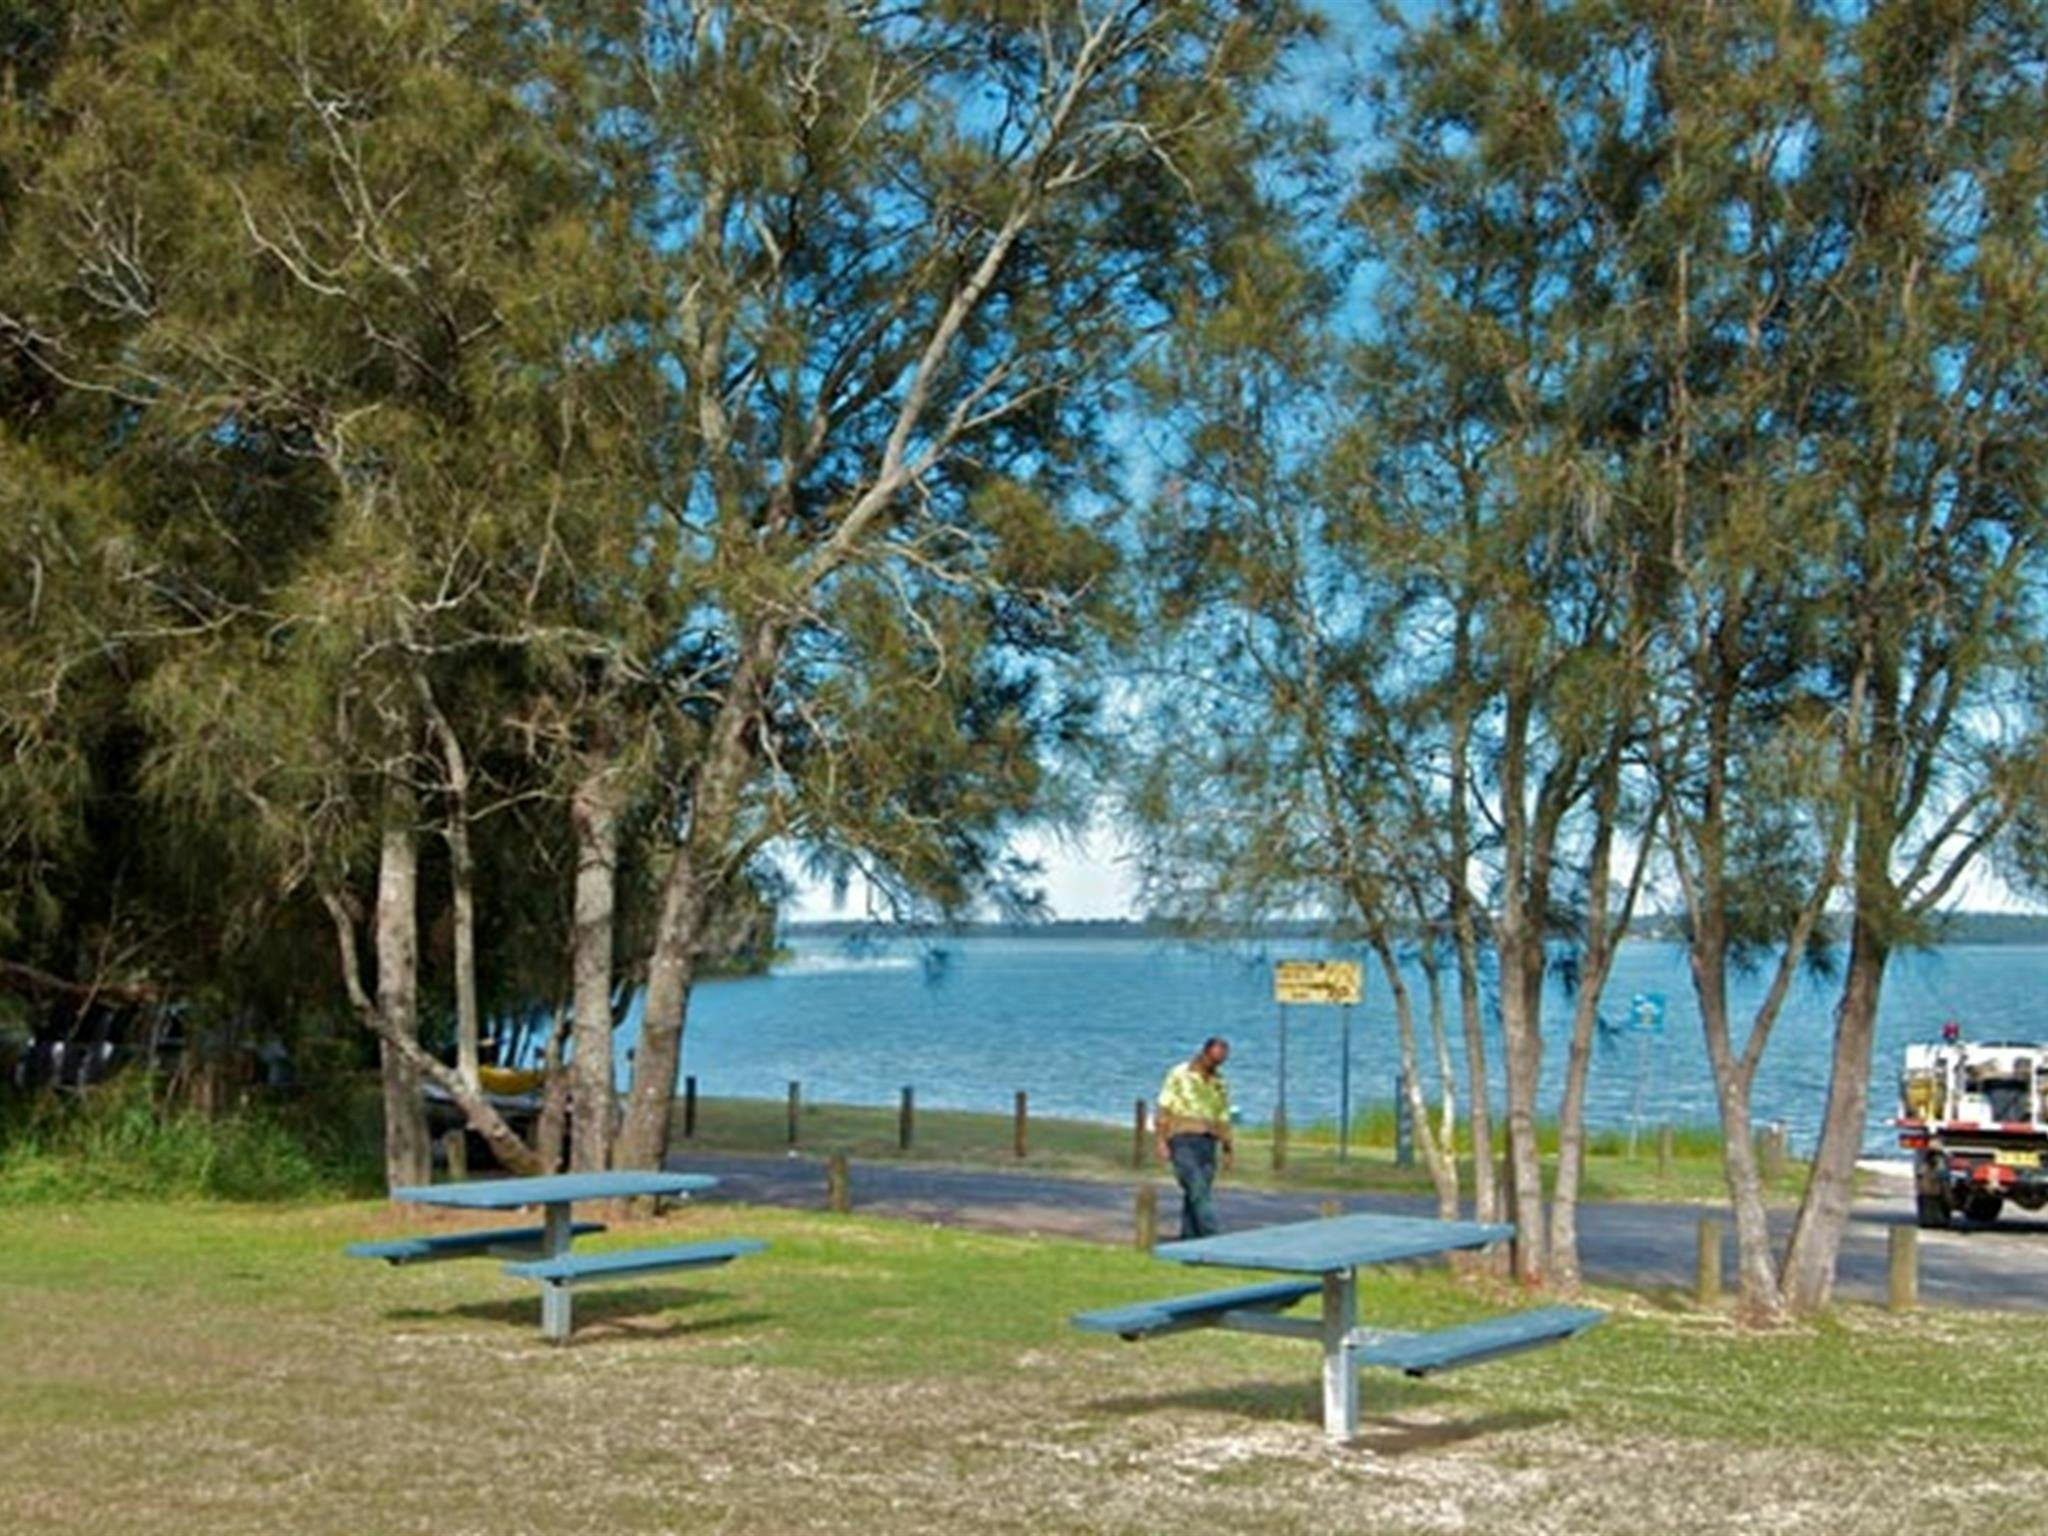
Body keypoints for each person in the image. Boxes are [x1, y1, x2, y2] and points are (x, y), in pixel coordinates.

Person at [1155, 1036, 1234, 1239]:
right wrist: (1161, 1141)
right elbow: (1164, 1107)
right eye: (1213, 1060)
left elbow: (1223, 1115)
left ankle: (1189, 1240)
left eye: (1220, 1062)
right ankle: (1212, 1236)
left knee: (1197, 1193)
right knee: (1197, 1187)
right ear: (1204, 1053)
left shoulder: (1220, 1082)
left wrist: (1227, 1148)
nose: (1215, 1065)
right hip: (1181, 1138)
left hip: (1208, 1141)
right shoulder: (1179, 1074)